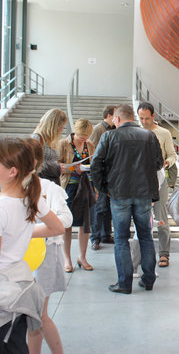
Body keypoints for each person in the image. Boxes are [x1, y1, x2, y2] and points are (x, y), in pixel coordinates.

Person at [0, 138, 64, 354]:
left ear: (12, 171)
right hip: (20, 288)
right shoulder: (30, 198)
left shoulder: (2, 207)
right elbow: (57, 228)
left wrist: (22, 234)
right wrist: (24, 233)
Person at [90, 104, 163, 294]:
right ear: (133, 117)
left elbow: (96, 164)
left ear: (117, 119)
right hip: (144, 193)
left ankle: (124, 283)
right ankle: (148, 280)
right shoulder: (149, 136)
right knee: (146, 236)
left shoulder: (109, 136)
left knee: (121, 238)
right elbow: (158, 163)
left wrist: (103, 188)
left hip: (119, 193)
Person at [25, 138, 73, 354]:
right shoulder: (9, 188)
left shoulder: (48, 189)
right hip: (18, 261)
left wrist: (34, 230)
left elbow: (65, 219)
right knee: (32, 319)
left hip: (42, 257)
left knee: (38, 316)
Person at [137, 102, 177, 268]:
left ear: (153, 116)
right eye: (141, 118)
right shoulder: (136, 133)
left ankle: (164, 253)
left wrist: (166, 163)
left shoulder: (164, 133)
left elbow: (173, 155)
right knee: (140, 218)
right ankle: (142, 254)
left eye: (147, 118)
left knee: (161, 217)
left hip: (159, 181)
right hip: (139, 181)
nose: (144, 122)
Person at [58, 119, 96, 273]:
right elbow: (58, 166)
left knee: (85, 224)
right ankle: (67, 258)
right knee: (67, 224)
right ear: (75, 131)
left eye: (86, 136)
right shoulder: (64, 144)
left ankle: (82, 256)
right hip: (69, 186)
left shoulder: (90, 145)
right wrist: (73, 168)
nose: (83, 139)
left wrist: (96, 190)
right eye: (81, 136)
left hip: (86, 186)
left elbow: (93, 166)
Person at [89, 105, 117, 250]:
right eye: (115, 114)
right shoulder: (98, 129)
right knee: (99, 208)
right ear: (108, 115)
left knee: (109, 209)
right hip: (100, 175)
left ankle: (106, 234)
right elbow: (92, 152)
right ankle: (95, 238)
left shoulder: (114, 130)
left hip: (111, 175)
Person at [32, 108, 68, 185]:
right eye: (60, 127)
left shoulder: (53, 140)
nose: (62, 130)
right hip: (40, 184)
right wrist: (56, 168)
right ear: (53, 126)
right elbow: (32, 164)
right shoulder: (37, 139)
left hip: (52, 182)